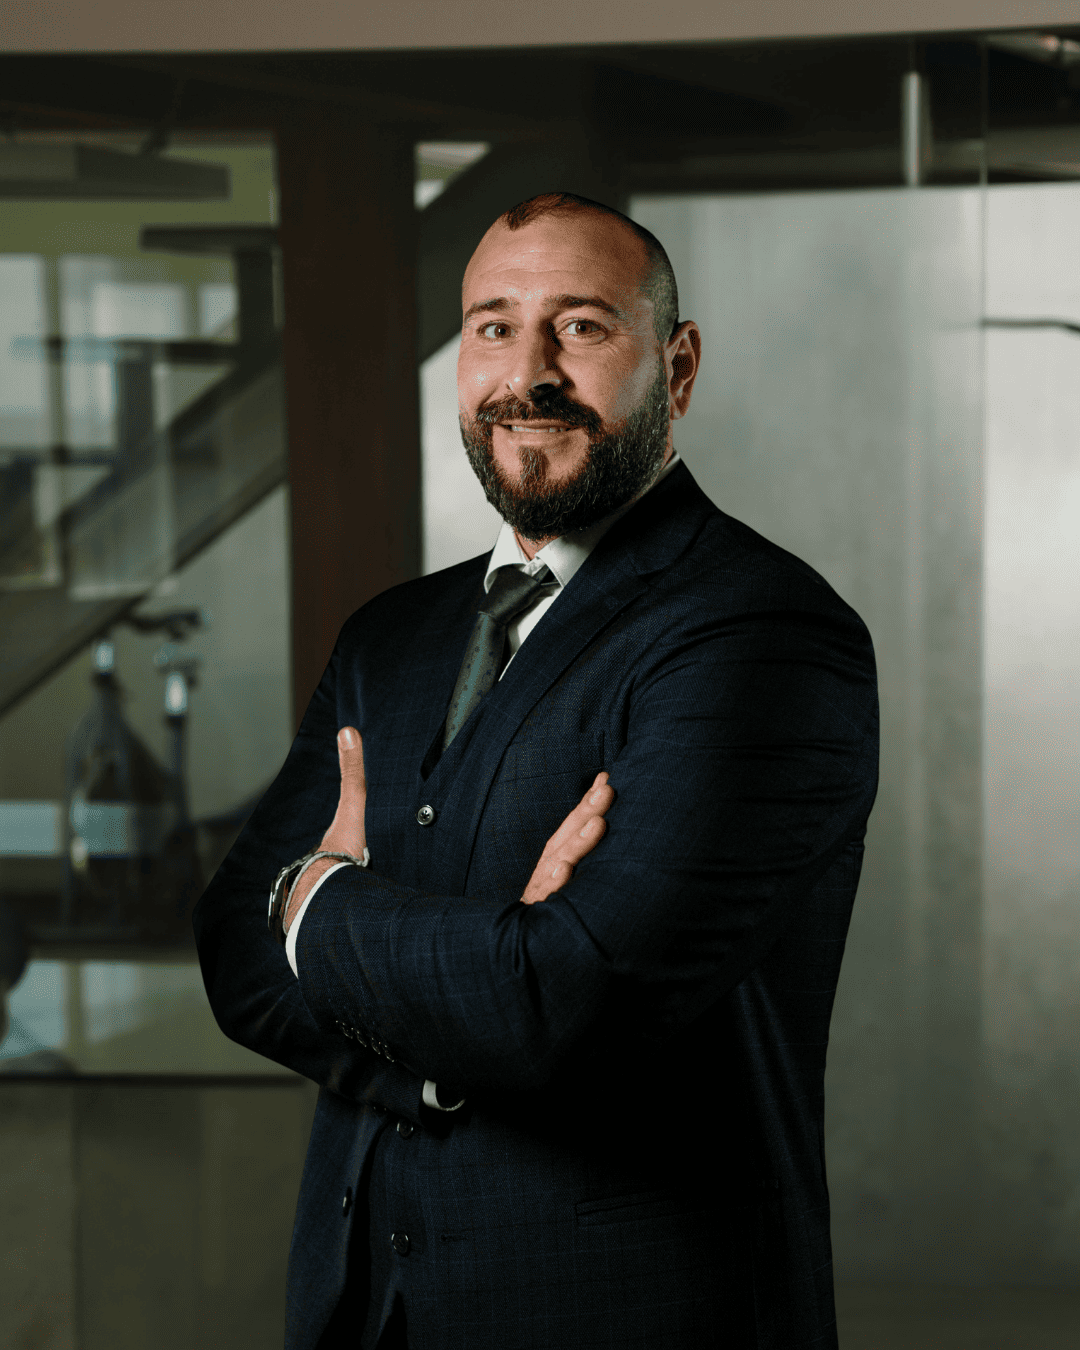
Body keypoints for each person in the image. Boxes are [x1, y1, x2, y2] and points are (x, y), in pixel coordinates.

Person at [194, 193, 879, 1350]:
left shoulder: (759, 633)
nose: (529, 373)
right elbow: (235, 950)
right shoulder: (390, 639)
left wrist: (314, 898)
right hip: (366, 1312)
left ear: (678, 365)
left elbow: (559, 1004)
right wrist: (448, 1034)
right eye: (494, 327)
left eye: (582, 326)